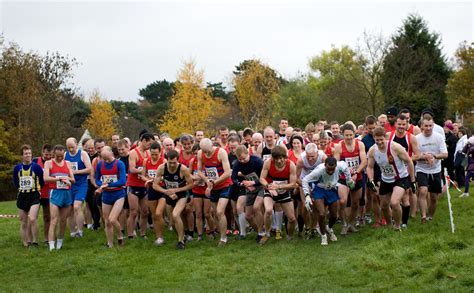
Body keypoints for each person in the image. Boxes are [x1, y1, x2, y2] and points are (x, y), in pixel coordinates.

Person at [367, 127, 416, 231]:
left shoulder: (395, 147)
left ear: (385, 137)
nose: (380, 142)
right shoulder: (372, 150)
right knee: (384, 206)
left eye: (381, 139)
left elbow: (409, 161)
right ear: (374, 139)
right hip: (386, 179)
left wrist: (412, 180)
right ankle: (390, 225)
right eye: (377, 140)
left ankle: (398, 226)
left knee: (394, 202)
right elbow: (370, 167)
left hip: (401, 178)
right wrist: (371, 180)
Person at [302, 157, 353, 245]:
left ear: (336, 166)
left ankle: (328, 228)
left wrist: (349, 181)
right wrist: (307, 195)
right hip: (319, 190)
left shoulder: (341, 166)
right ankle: (323, 235)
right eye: (328, 169)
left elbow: (346, 171)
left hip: (332, 189)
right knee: (322, 213)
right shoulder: (319, 170)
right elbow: (305, 180)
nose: (330, 172)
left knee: (334, 216)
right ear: (325, 165)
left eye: (332, 169)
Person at [152, 150, 193, 249]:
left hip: (182, 195)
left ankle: (180, 241)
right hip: (169, 195)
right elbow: (154, 185)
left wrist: (177, 190)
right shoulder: (162, 168)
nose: (172, 165)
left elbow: (191, 184)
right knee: (173, 221)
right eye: (170, 162)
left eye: (174, 162)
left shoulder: (183, 169)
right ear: (167, 160)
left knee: (175, 215)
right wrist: (167, 192)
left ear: (178, 160)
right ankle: (182, 236)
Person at [386, 114, 420, 227]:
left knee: (405, 195)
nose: (401, 126)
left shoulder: (411, 137)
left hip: (406, 170)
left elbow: (417, 155)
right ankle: (396, 219)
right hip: (392, 171)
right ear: (395, 124)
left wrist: (406, 159)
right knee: (393, 197)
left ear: (407, 124)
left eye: (403, 124)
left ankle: (404, 222)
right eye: (399, 124)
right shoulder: (388, 136)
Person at [197, 138, 233, 246]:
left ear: (211, 146)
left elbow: (227, 173)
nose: (206, 154)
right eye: (204, 151)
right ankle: (221, 233)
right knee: (216, 213)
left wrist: (214, 182)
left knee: (219, 211)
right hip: (212, 186)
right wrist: (206, 180)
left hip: (225, 185)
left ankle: (223, 238)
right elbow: (199, 170)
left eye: (208, 151)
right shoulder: (200, 153)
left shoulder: (221, 152)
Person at [259, 146, 297, 244]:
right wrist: (268, 186)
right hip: (270, 190)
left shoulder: (291, 165)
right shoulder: (268, 163)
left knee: (292, 218)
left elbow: (293, 184)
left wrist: (279, 187)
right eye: (276, 159)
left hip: (283, 191)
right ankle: (266, 234)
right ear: (273, 158)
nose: (279, 161)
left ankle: (290, 236)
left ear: (285, 157)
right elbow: (261, 178)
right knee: (268, 210)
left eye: (281, 158)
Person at [333, 123, 367, 235]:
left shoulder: (360, 144)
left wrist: (356, 173)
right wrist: (347, 175)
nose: (348, 137)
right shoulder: (339, 146)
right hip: (343, 178)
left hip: (357, 176)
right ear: (343, 135)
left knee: (356, 203)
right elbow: (336, 164)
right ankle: (344, 224)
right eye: (346, 135)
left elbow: (364, 161)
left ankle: (351, 223)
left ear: (354, 134)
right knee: (343, 201)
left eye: (351, 135)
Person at [414, 116, 448, 223]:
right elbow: (415, 155)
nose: (428, 128)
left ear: (433, 126)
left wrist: (434, 156)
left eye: (430, 126)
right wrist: (425, 157)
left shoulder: (438, 137)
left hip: (435, 169)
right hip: (421, 169)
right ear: (422, 126)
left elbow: (445, 154)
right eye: (426, 126)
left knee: (433, 197)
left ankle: (430, 216)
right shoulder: (417, 138)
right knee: (423, 191)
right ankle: (423, 216)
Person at [43, 145, 76, 251]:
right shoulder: (49, 163)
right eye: (58, 156)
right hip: (55, 193)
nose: (60, 158)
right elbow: (46, 178)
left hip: (66, 194)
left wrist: (68, 180)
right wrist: (60, 178)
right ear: (54, 154)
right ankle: (51, 245)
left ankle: (60, 243)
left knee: (63, 221)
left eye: (62, 156)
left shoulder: (67, 163)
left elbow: (73, 179)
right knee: (54, 220)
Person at [95, 146, 127, 248]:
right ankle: (110, 244)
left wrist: (107, 185)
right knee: (107, 221)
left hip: (118, 194)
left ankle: (120, 236)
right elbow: (97, 180)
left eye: (107, 158)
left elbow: (122, 181)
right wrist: (101, 183)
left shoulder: (119, 164)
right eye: (104, 159)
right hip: (106, 195)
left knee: (113, 219)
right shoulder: (100, 164)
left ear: (111, 154)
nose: (106, 161)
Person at [13, 144, 44, 247]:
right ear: (22, 155)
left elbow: (42, 181)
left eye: (29, 153)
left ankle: (35, 242)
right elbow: (16, 182)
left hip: (34, 195)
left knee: (33, 219)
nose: (28, 155)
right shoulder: (17, 168)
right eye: (26, 154)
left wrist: (38, 190)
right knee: (23, 221)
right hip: (22, 196)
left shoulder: (36, 167)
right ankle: (26, 243)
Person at [231, 145, 264, 240]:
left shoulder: (257, 161)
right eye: (240, 159)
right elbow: (233, 178)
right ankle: (259, 231)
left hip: (261, 186)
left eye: (244, 158)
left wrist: (254, 182)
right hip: (249, 188)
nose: (242, 161)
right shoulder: (237, 164)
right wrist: (241, 184)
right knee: (248, 215)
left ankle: (261, 233)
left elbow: (265, 176)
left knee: (256, 207)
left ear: (248, 153)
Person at [126, 132, 154, 238]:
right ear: (143, 141)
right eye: (149, 144)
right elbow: (132, 169)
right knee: (133, 211)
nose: (150, 146)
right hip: (133, 185)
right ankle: (130, 235)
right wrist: (142, 171)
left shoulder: (148, 153)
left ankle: (143, 234)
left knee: (145, 212)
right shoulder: (133, 152)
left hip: (144, 185)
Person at [296, 143, 326, 239]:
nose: (310, 159)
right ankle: (307, 227)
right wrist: (305, 186)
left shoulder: (322, 158)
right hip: (304, 181)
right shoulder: (301, 160)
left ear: (317, 153)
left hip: (318, 182)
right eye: (308, 156)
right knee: (306, 206)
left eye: (312, 156)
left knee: (316, 207)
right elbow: (296, 178)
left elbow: (328, 173)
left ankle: (313, 228)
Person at [65, 137, 92, 238]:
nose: (71, 149)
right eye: (69, 148)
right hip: (69, 185)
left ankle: (80, 231)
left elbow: (89, 169)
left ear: (76, 144)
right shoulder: (65, 155)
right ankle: (72, 232)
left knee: (77, 206)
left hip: (81, 184)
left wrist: (76, 172)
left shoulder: (82, 154)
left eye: (72, 147)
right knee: (69, 209)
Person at [142, 142, 166, 245]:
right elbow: (142, 175)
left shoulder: (164, 161)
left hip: (162, 190)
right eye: (152, 154)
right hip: (151, 190)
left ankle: (162, 235)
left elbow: (166, 176)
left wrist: (157, 179)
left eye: (156, 154)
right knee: (154, 215)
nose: (154, 156)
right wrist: (148, 180)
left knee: (158, 213)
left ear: (160, 153)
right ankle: (158, 237)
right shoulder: (146, 161)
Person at [33, 144, 52, 242]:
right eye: (46, 155)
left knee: (47, 217)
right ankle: (33, 240)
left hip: (48, 193)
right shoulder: (35, 161)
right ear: (42, 153)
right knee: (33, 217)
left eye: (50, 155)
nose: (48, 157)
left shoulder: (53, 162)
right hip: (36, 193)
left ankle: (46, 238)